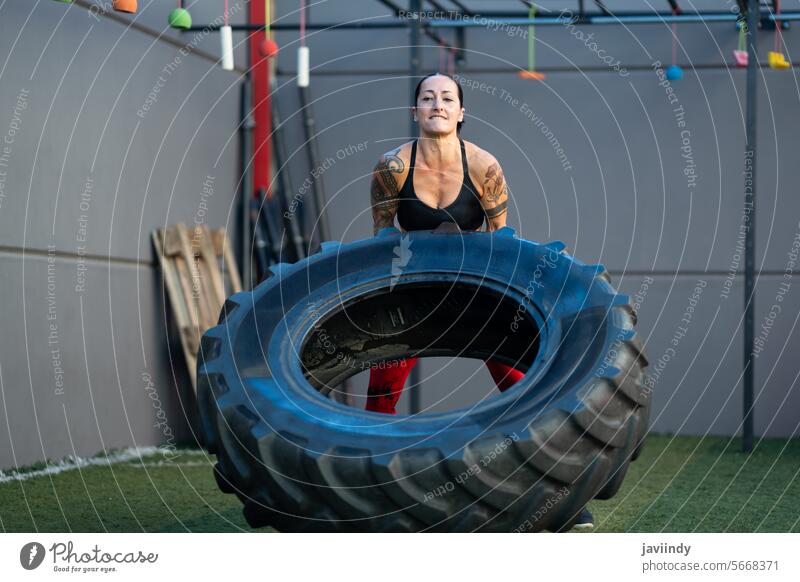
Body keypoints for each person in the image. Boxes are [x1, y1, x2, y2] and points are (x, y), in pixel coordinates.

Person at [366, 72, 593, 531]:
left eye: (447, 97)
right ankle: (371, 497)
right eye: (427, 97)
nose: (437, 104)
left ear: (461, 112)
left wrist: (501, 309)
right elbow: (383, 240)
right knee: (381, 396)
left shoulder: (485, 166)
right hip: (414, 293)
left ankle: (564, 498)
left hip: (474, 291)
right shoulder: (392, 167)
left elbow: (500, 243)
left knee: (522, 387)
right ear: (415, 111)